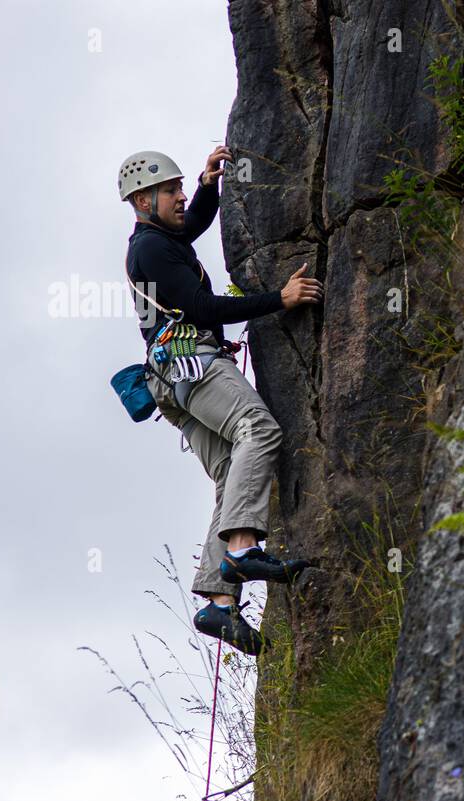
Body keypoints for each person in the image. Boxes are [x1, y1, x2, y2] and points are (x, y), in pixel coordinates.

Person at [118, 147, 323, 655]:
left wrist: (210, 187)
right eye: (172, 190)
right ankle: (243, 549)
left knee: (233, 469)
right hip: (192, 363)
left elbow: (189, 230)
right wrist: (280, 298)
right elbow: (205, 306)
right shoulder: (149, 250)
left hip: (170, 375)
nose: (180, 195)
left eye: (181, 187)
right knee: (260, 431)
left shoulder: (157, 242)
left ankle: (218, 603)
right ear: (143, 199)